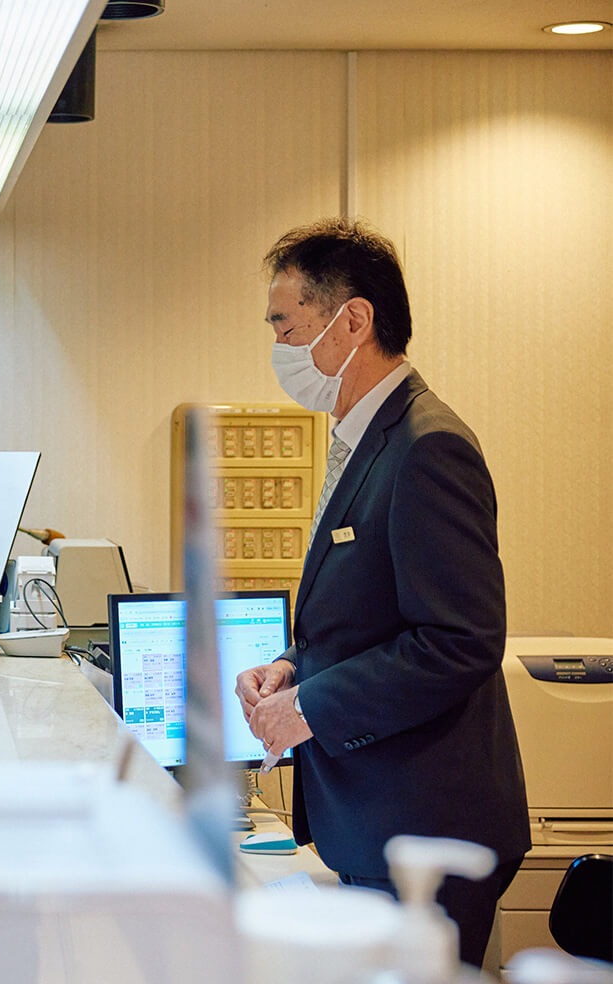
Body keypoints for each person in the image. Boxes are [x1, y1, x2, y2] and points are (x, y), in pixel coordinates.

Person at [235, 217, 529, 967]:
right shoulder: (364, 440)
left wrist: (309, 708)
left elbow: (457, 641)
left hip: (424, 825)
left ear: (352, 319)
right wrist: (295, 667)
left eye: (284, 324)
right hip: (376, 817)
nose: (277, 346)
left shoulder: (428, 446)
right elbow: (369, 615)